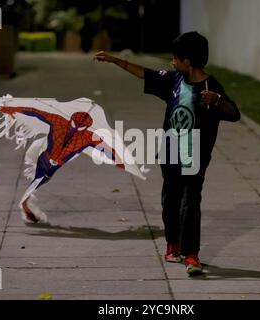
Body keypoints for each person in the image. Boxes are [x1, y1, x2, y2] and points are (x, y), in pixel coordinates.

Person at [94, 32, 241, 275]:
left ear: (188, 60)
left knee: (191, 202)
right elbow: (145, 73)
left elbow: (234, 113)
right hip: (170, 154)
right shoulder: (174, 81)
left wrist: (217, 102)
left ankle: (192, 255)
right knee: (170, 201)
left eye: (175, 59)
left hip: (195, 157)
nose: (172, 63)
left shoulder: (211, 87)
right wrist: (116, 60)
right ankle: (173, 243)